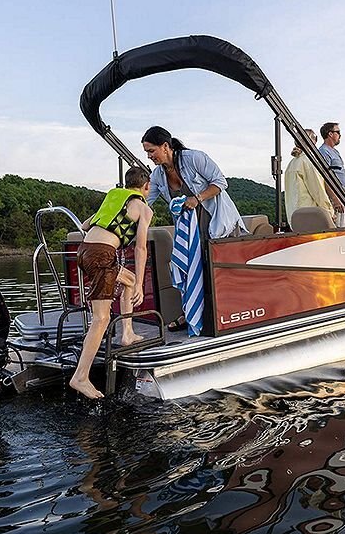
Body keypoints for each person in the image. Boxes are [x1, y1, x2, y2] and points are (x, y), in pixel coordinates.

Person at [70, 166, 154, 399]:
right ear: (146, 186)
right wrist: (140, 288)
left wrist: (135, 282)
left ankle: (127, 333)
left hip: (84, 251)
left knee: (128, 279)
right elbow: (140, 247)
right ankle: (80, 377)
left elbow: (86, 225)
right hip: (101, 254)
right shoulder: (143, 208)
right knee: (101, 318)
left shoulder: (113, 197)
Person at [142, 126, 246, 239]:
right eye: (147, 152)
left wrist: (197, 198)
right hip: (191, 235)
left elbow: (221, 182)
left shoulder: (194, 158)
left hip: (221, 225)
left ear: (165, 146)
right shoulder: (157, 175)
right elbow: (145, 201)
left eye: (151, 151)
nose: (149, 156)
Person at [284, 128, 335, 222]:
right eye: (315, 138)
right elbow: (318, 191)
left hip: (295, 218)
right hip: (311, 217)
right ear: (310, 141)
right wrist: (330, 212)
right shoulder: (308, 162)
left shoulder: (291, 164)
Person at [318, 122, 345, 192]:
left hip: (341, 194)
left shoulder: (335, 152)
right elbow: (324, 176)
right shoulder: (324, 151)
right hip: (335, 195)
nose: (340, 135)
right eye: (338, 132)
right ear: (330, 134)